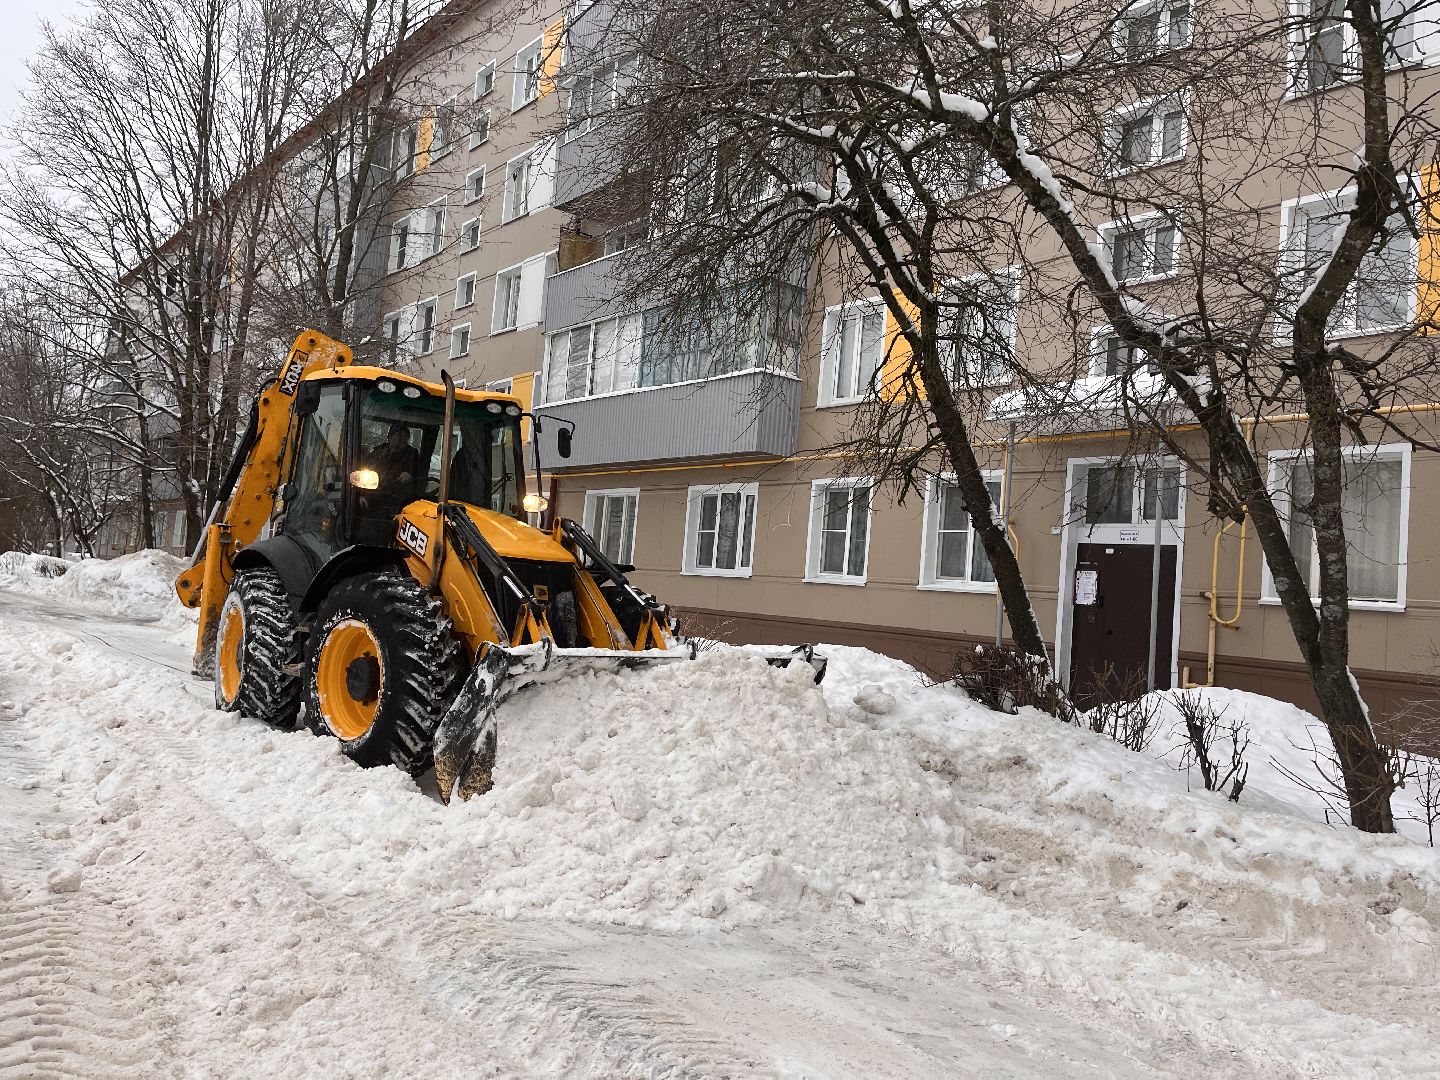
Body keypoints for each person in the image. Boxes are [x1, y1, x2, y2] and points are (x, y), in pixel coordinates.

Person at [367, 423, 423, 499]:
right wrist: (362, 495)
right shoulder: (378, 452)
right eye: (398, 435)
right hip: (373, 493)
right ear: (389, 437)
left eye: (405, 437)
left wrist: (409, 476)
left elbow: (419, 475)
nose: (401, 439)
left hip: (398, 497)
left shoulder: (412, 455)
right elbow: (364, 470)